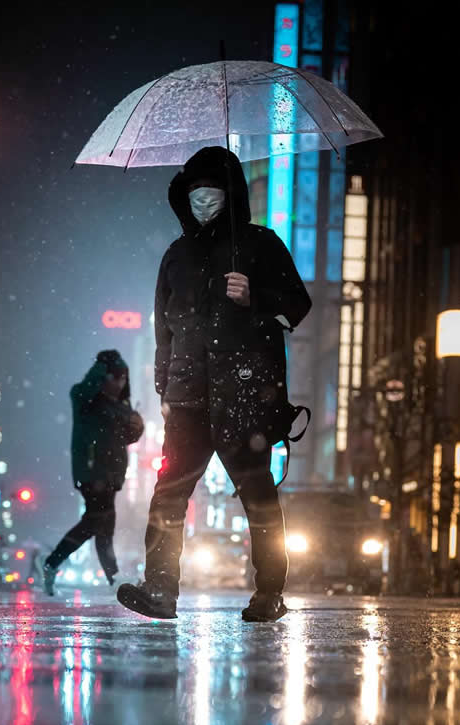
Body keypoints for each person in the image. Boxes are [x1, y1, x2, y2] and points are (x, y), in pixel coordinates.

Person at [117, 146, 312, 622]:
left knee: (256, 491)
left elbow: (297, 306)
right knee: (169, 492)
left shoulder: (260, 245)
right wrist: (165, 384)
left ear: (232, 195)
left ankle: (269, 593)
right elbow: (161, 327)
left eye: (213, 192)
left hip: (245, 394)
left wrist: (256, 296)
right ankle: (160, 590)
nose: (204, 201)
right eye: (195, 193)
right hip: (187, 397)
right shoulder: (176, 256)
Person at [42, 350, 144, 595]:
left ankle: (110, 579)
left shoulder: (121, 407)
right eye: (115, 377)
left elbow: (129, 436)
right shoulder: (86, 399)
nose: (119, 383)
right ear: (103, 377)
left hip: (111, 476)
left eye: (122, 378)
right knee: (96, 522)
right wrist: (102, 366)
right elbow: (83, 389)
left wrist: (136, 425)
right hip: (92, 473)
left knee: (102, 526)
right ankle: (56, 564)